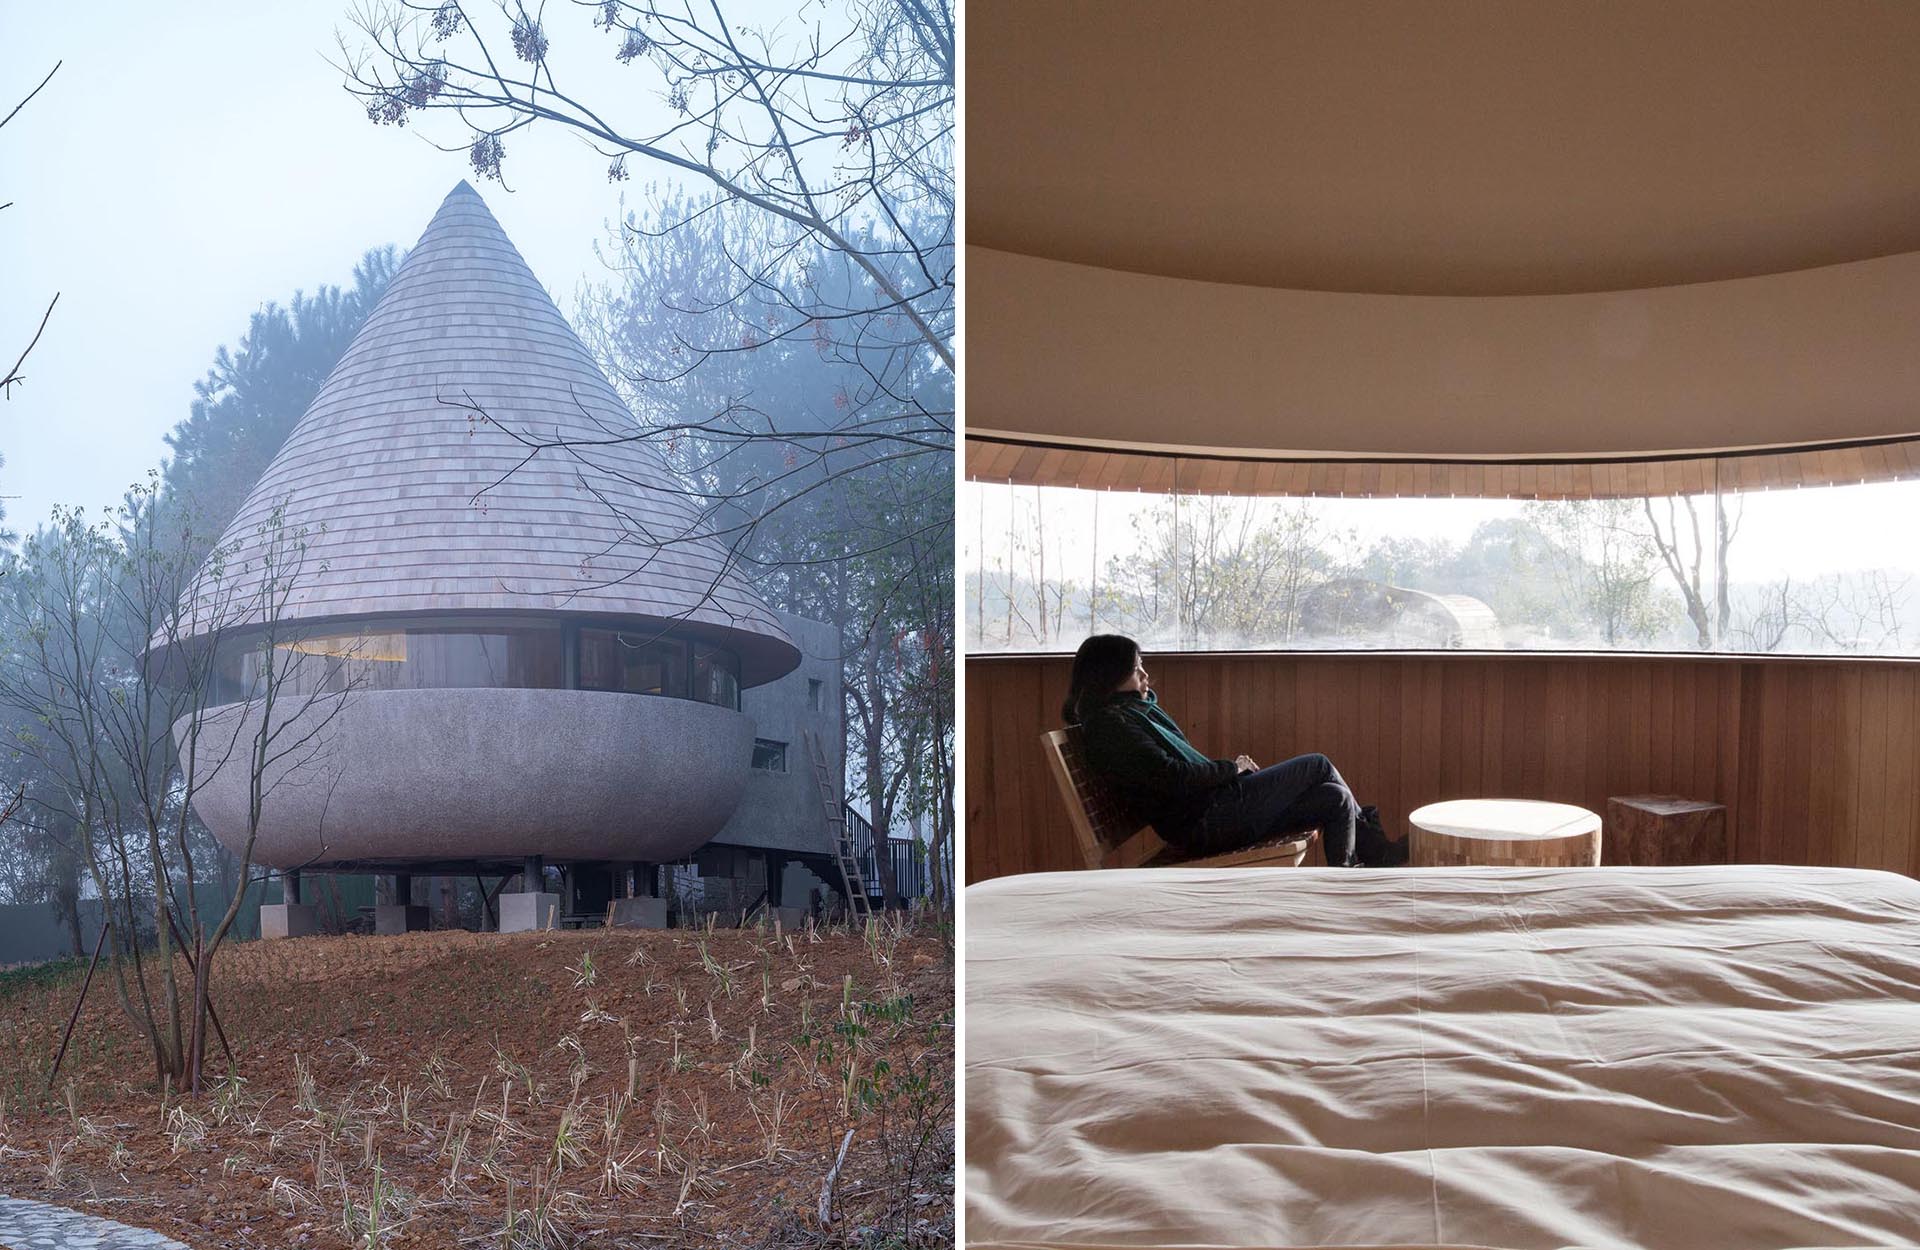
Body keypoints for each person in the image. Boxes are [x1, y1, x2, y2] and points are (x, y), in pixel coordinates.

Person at [1062, 634, 1405, 867]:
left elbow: (1168, 772)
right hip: (1205, 822)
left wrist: (1229, 773)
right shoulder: (1112, 726)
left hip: (1211, 811)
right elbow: (1172, 775)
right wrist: (1233, 768)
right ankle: (1377, 853)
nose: (1145, 675)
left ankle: (1346, 888)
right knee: (1318, 764)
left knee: (1334, 798)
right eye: (1136, 668)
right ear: (1110, 675)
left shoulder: (1125, 714)